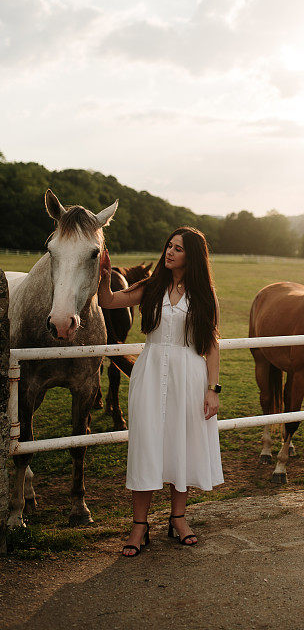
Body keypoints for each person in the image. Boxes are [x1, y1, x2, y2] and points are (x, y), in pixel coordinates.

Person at [98, 227, 224, 556]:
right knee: (147, 444)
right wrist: (104, 277)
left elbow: (211, 346)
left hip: (189, 378)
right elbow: (108, 300)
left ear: (192, 256)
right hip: (150, 373)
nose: (170, 252)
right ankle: (140, 526)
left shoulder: (204, 295)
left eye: (178, 248)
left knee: (179, 444)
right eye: (169, 246)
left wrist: (213, 389)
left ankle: (178, 519)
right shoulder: (152, 287)